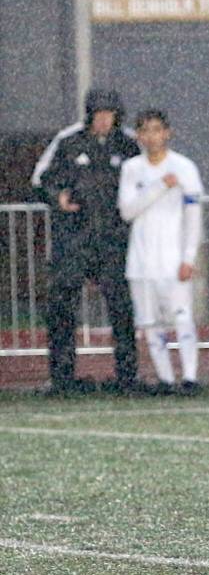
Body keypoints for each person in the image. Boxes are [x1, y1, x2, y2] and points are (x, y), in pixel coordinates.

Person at [31, 88, 141, 395]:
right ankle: (62, 378)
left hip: (114, 241)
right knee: (62, 307)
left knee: (121, 307)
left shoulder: (129, 143)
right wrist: (57, 197)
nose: (104, 121)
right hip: (73, 239)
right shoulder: (68, 140)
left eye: (110, 115)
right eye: (99, 115)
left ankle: (126, 377)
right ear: (90, 115)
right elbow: (40, 179)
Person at [118, 110, 203, 396]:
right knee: (150, 323)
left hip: (172, 259)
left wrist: (188, 257)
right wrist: (159, 187)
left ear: (167, 133)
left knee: (181, 317)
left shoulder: (184, 167)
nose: (151, 136)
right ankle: (165, 379)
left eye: (157, 130)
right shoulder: (132, 168)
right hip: (141, 261)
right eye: (145, 130)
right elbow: (127, 210)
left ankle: (189, 377)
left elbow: (193, 215)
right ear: (138, 136)